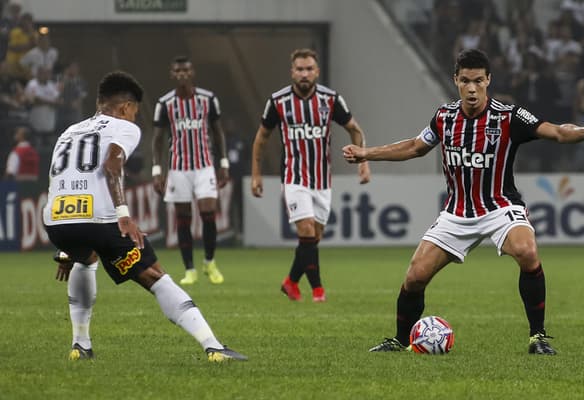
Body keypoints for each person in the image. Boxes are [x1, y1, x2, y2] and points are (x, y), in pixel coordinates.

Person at [342, 49, 584, 355]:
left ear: (488, 80)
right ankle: (400, 339)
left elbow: (556, 132)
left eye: (478, 81)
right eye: (465, 81)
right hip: (457, 213)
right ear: (455, 81)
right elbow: (415, 147)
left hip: (500, 206)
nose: (472, 89)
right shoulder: (444, 118)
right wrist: (367, 153)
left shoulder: (509, 116)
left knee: (526, 251)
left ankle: (537, 337)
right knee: (415, 276)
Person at [43, 70, 247, 362]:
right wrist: (123, 215)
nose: (135, 118)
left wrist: (65, 246)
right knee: (154, 275)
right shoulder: (124, 128)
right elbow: (112, 167)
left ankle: (81, 345)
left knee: (85, 259)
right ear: (126, 107)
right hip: (100, 220)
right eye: (135, 111)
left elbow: (58, 178)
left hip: (57, 220)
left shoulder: (69, 132)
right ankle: (213, 346)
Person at [251, 48, 371, 302]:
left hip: (322, 180)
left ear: (316, 72)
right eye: (300, 69)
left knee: (314, 237)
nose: (304, 74)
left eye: (309, 69)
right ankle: (307, 287)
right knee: (306, 231)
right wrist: (256, 174)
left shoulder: (330, 100)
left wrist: (363, 161)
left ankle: (301, 285)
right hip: (294, 177)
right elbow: (261, 138)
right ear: (292, 72)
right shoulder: (278, 101)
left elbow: (355, 129)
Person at [152, 56, 229, 286]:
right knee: (183, 218)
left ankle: (209, 262)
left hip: (205, 166)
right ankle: (190, 269)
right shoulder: (165, 103)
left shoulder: (208, 99)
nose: (182, 74)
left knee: (208, 212)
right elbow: (157, 139)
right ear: (172, 74)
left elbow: (218, 132)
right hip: (178, 169)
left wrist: (223, 163)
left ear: (192, 72)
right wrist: (158, 170)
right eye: (178, 71)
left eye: (186, 70)